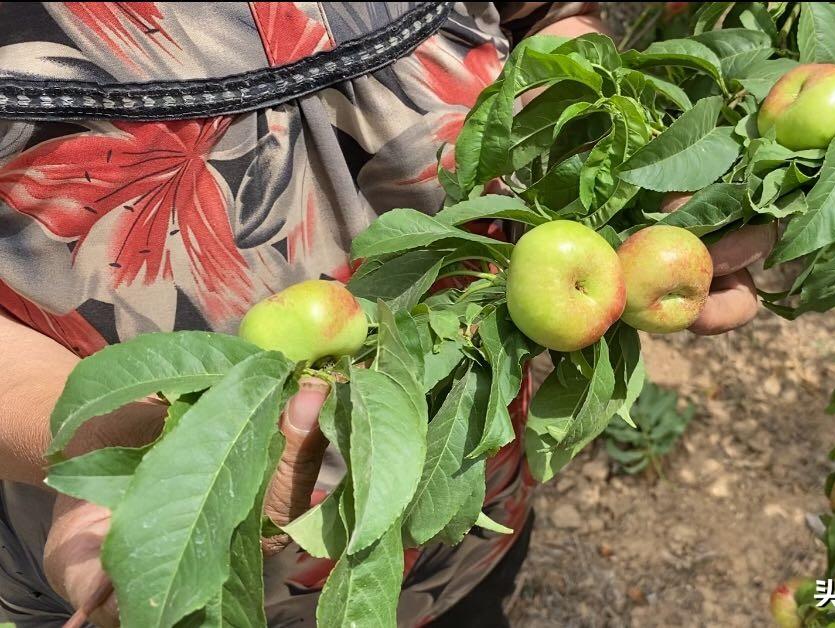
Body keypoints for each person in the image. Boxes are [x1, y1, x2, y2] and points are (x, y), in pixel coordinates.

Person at [0, 3, 774, 626]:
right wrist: (123, 446)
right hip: (156, 553)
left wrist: (610, 158)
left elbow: (539, 17)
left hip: (460, 516)